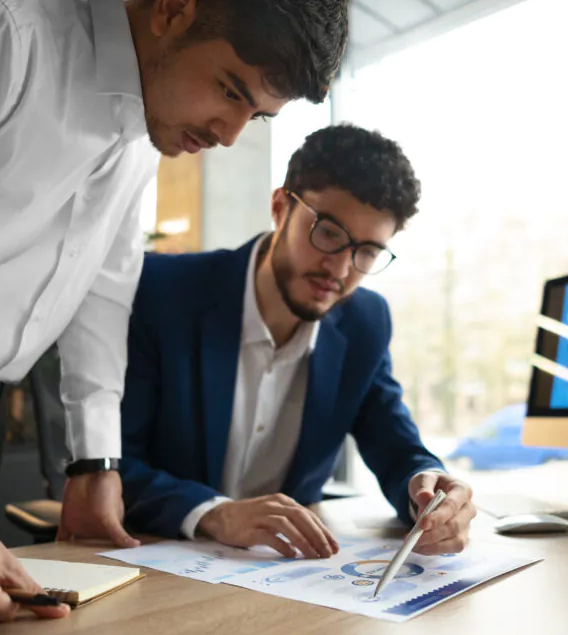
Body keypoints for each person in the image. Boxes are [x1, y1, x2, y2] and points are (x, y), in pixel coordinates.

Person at [0, 0, 348, 624]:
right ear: (173, 8)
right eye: (229, 90)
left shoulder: (149, 125)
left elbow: (99, 293)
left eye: (257, 116)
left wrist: (95, 461)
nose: (228, 133)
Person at [119, 124, 476, 559]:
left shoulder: (365, 322)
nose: (342, 270)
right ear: (279, 208)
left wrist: (431, 490)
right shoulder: (164, 293)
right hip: (159, 560)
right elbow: (113, 464)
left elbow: (396, 448)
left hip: (286, 578)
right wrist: (215, 513)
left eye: (367, 252)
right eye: (328, 233)